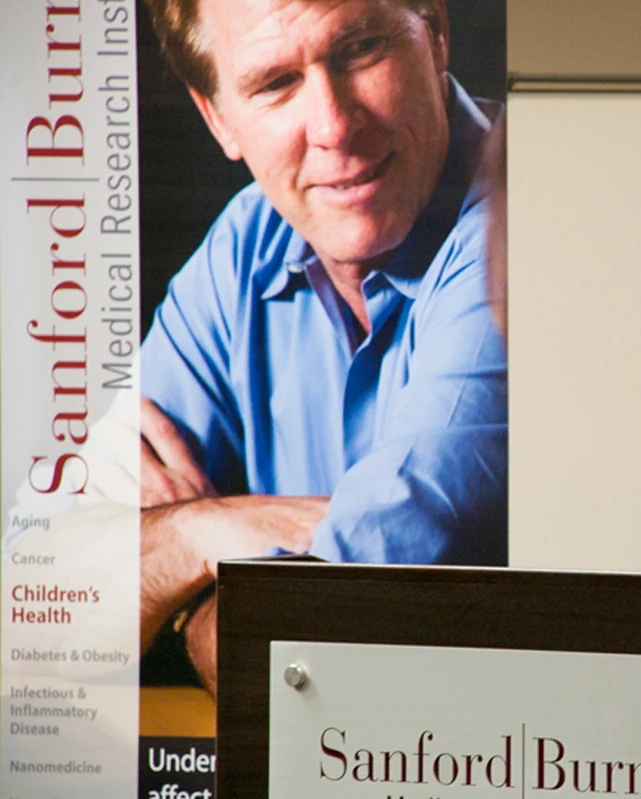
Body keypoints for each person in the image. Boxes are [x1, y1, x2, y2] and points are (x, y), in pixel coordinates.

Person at [125, 0, 508, 691]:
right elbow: (42, 600)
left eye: (361, 48)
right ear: (217, 117)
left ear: (437, 32)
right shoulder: (243, 250)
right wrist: (201, 533)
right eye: (275, 83)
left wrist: (182, 594)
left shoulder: (525, 222)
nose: (334, 127)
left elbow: (320, 645)